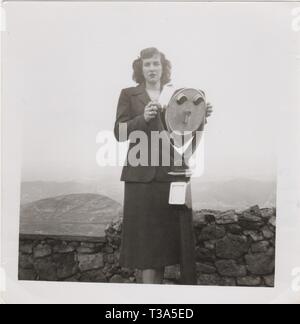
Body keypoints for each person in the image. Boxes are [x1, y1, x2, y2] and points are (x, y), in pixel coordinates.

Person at [114, 47, 213, 284]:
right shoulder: (129, 94)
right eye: (147, 64)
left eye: (155, 64)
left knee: (166, 247)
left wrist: (200, 115)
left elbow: (181, 133)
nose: (151, 68)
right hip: (141, 180)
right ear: (141, 68)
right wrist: (142, 119)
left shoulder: (174, 95)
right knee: (148, 251)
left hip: (170, 176)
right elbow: (119, 133)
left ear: (163, 67)